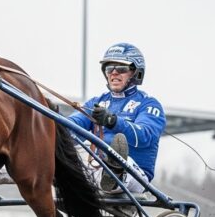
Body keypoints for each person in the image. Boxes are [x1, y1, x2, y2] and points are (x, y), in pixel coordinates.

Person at [67, 43, 166, 197]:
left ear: (135, 73)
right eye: (109, 69)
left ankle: (114, 170)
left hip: (135, 173)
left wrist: (112, 121)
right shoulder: (96, 102)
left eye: (121, 68)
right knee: (65, 147)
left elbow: (145, 136)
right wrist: (54, 124)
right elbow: (74, 125)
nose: (114, 73)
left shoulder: (149, 105)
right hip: (96, 167)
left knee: (117, 157)